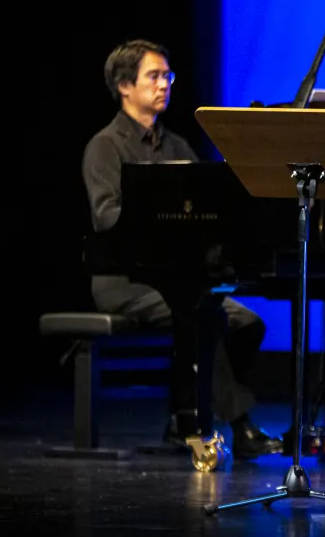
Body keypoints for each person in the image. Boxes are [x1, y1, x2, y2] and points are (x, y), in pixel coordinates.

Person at [81, 39, 282, 459]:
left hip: (178, 276)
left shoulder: (177, 146)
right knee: (202, 315)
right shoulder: (105, 146)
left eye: (167, 76)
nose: (164, 85)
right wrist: (160, 221)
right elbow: (106, 216)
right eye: (153, 76)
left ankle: (184, 415)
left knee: (247, 323)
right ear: (124, 86)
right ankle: (239, 427)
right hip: (127, 280)